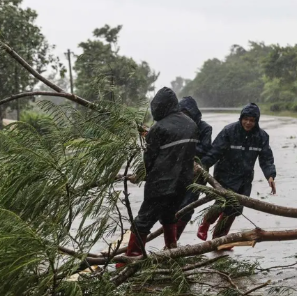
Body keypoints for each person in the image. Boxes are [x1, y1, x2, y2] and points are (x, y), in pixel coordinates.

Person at [117, 87, 198, 268]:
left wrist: (138, 176)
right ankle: (171, 251)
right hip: (183, 183)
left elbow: (149, 160)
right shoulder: (191, 125)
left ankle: (130, 261)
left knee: (143, 220)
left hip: (160, 184)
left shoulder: (158, 128)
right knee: (169, 215)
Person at [197, 103, 276, 244]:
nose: (248, 123)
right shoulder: (229, 131)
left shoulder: (261, 136)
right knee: (221, 203)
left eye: (252, 120)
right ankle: (205, 223)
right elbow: (215, 151)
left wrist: (270, 175)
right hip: (225, 174)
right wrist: (203, 166)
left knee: (235, 209)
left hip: (244, 178)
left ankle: (219, 239)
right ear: (241, 118)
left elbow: (266, 158)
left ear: (256, 121)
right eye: (246, 119)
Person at [175, 96, 212, 239]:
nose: (185, 117)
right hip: (177, 172)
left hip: (197, 173)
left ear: (194, 114)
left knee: (188, 206)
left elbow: (204, 148)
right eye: (182, 113)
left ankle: (174, 240)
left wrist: (184, 151)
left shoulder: (205, 128)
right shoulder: (176, 127)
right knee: (172, 205)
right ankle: (170, 238)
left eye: (188, 114)